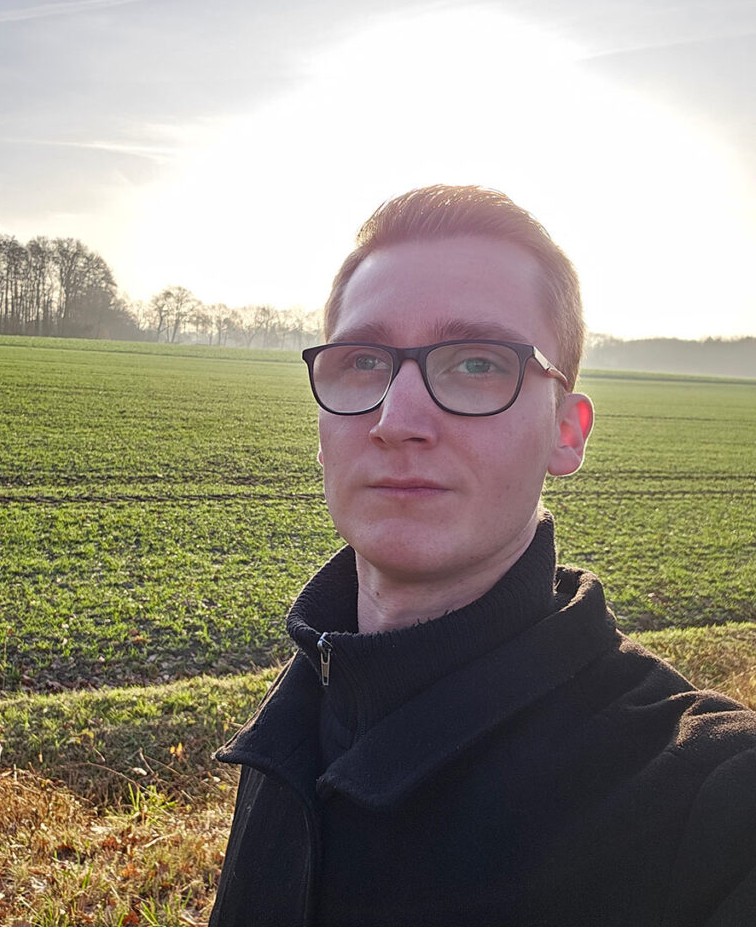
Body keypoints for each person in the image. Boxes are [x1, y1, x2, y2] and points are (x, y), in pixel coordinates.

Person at [209, 185, 756, 927]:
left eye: (476, 365)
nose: (396, 421)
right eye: (365, 362)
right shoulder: (303, 709)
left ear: (567, 430)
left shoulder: (705, 798)